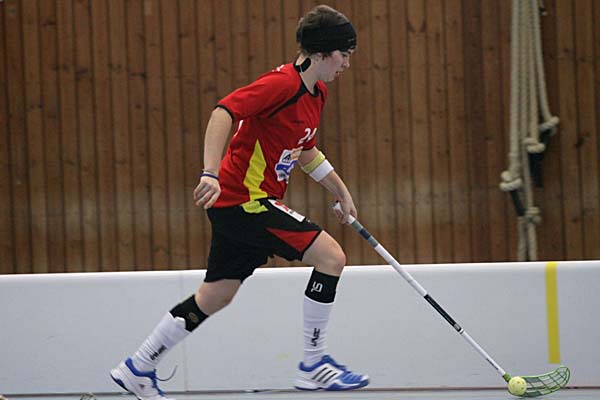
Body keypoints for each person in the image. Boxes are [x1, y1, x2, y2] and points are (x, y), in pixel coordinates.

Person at [110, 4, 369, 399]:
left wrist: (341, 191)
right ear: (320, 53)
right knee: (331, 258)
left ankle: (138, 367)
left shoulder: (317, 93)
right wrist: (209, 172)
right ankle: (314, 365)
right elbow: (224, 111)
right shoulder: (280, 85)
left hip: (242, 206)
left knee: (215, 296)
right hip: (245, 201)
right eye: (344, 55)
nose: (347, 64)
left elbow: (305, 151)